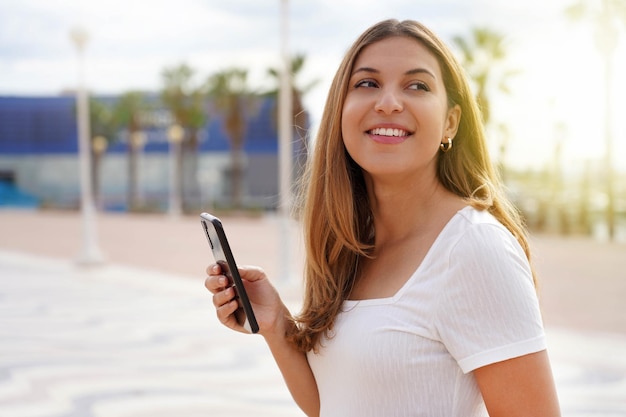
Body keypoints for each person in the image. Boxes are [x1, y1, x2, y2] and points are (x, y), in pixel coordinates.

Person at [205, 18, 561, 417]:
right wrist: (276, 324)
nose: (389, 102)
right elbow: (333, 405)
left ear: (451, 122)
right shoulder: (353, 246)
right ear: (340, 111)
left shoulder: (475, 247)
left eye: (417, 85)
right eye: (368, 83)